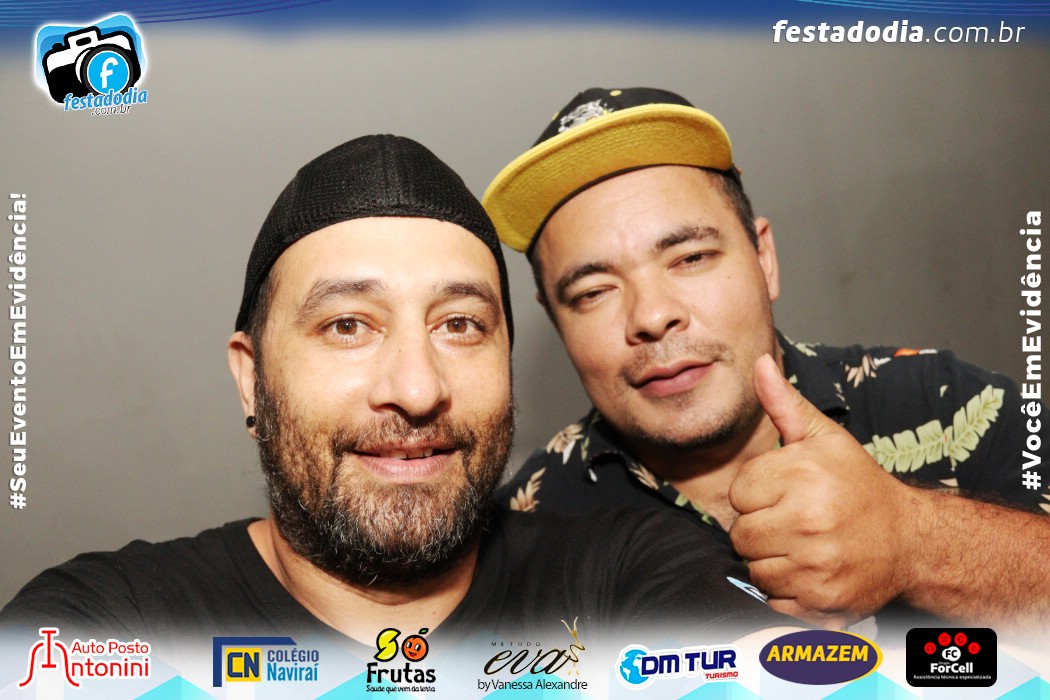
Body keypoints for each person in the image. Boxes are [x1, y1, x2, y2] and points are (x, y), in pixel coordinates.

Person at [0, 135, 790, 656]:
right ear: (251, 378)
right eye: (347, 325)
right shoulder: (110, 625)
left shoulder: (631, 573)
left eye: (460, 324)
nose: (417, 389)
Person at [483, 87, 1050, 633]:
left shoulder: (946, 404)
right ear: (556, 320)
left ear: (765, 259)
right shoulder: (516, 532)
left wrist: (913, 542)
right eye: (592, 292)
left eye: (691, 257)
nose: (652, 315)